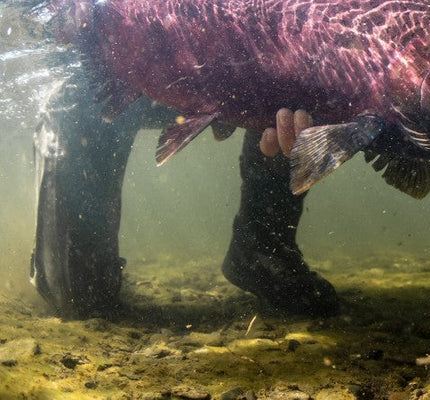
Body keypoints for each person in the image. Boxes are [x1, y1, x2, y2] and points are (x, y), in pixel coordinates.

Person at [31, 67, 337, 318]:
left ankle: (262, 252)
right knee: (77, 298)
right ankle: (84, 274)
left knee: (300, 92)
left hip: (242, 68)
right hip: (111, 74)